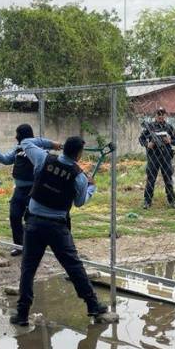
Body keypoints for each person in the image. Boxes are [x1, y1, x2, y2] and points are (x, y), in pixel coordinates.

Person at [9, 135, 109, 326]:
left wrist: (52, 143)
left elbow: (26, 142)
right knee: (73, 266)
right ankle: (93, 305)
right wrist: (91, 188)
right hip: (57, 227)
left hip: (34, 224)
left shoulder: (43, 158)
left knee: (28, 269)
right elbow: (79, 203)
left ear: (63, 149)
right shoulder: (79, 176)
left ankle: (22, 314)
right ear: (79, 154)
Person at [0, 124, 61, 257]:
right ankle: (19, 246)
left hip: (34, 190)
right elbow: (6, 159)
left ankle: (33, 247)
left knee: (31, 220)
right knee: (14, 216)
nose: (15, 136)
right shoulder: (18, 148)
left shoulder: (37, 148)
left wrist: (53, 144)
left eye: (17, 133)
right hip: (19, 190)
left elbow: (41, 142)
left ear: (24, 134)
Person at [138, 107, 175, 209]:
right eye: (158, 114)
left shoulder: (169, 127)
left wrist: (170, 141)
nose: (160, 116)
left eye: (162, 114)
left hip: (166, 157)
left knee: (168, 179)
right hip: (153, 157)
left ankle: (172, 201)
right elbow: (141, 139)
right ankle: (147, 202)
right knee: (151, 179)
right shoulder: (150, 127)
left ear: (165, 115)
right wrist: (147, 144)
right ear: (155, 116)